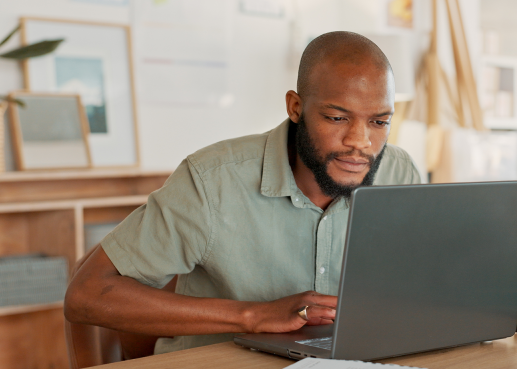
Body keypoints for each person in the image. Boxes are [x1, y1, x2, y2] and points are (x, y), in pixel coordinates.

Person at [64, 31, 421, 354]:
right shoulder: (211, 181)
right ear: (296, 108)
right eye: (337, 118)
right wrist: (253, 315)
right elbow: (85, 295)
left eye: (379, 121)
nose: (361, 142)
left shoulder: (399, 173)